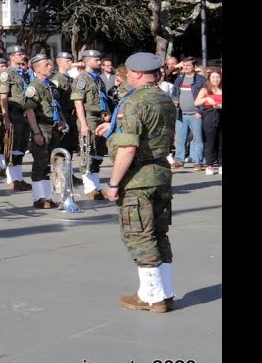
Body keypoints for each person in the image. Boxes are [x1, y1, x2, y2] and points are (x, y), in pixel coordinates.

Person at [96, 52, 176, 313]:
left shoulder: (134, 102)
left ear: (139, 73)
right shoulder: (164, 98)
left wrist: (113, 184)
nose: (126, 77)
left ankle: (151, 297)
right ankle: (165, 291)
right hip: (160, 173)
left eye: (129, 72)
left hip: (138, 178)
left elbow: (129, 148)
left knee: (139, 236)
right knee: (159, 234)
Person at [22, 53, 65, 209]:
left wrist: (62, 120)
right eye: (46, 65)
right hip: (41, 126)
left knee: (50, 163)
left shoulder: (51, 85)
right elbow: (29, 111)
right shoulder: (34, 87)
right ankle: (38, 197)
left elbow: (56, 105)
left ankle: (48, 196)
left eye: (50, 64)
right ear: (37, 69)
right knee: (40, 162)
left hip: (53, 127)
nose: (50, 66)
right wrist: (36, 132)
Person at [73, 49, 112, 200]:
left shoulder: (98, 79)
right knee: (88, 151)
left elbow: (103, 98)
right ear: (87, 61)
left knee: (98, 153)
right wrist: (83, 124)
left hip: (100, 118)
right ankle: (89, 187)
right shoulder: (82, 79)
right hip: (89, 118)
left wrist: (107, 112)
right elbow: (78, 102)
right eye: (96, 60)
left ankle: (96, 187)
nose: (99, 62)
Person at [0, 44, 33, 193]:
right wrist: (6, 118)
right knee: (12, 147)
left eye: (23, 54)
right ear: (12, 57)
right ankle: (12, 179)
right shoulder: (7, 74)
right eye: (20, 54)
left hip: (24, 114)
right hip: (13, 113)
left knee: (21, 147)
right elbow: (3, 97)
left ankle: (18, 178)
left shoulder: (24, 73)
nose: (23, 56)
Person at [170, 57, 206, 171]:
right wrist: (175, 101)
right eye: (184, 65)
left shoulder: (201, 80)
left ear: (194, 67)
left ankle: (197, 162)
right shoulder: (179, 79)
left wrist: (200, 111)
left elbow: (205, 96)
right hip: (181, 114)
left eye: (188, 65)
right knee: (180, 138)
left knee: (197, 139)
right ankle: (179, 160)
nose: (185, 67)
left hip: (196, 114)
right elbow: (175, 93)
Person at [194, 67, 222, 175]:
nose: (215, 79)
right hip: (210, 116)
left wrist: (220, 105)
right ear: (209, 79)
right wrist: (206, 99)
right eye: (213, 77)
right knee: (210, 142)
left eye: (217, 77)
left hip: (221, 113)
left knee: (221, 142)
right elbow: (196, 103)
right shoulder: (205, 90)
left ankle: (220, 164)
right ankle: (209, 165)